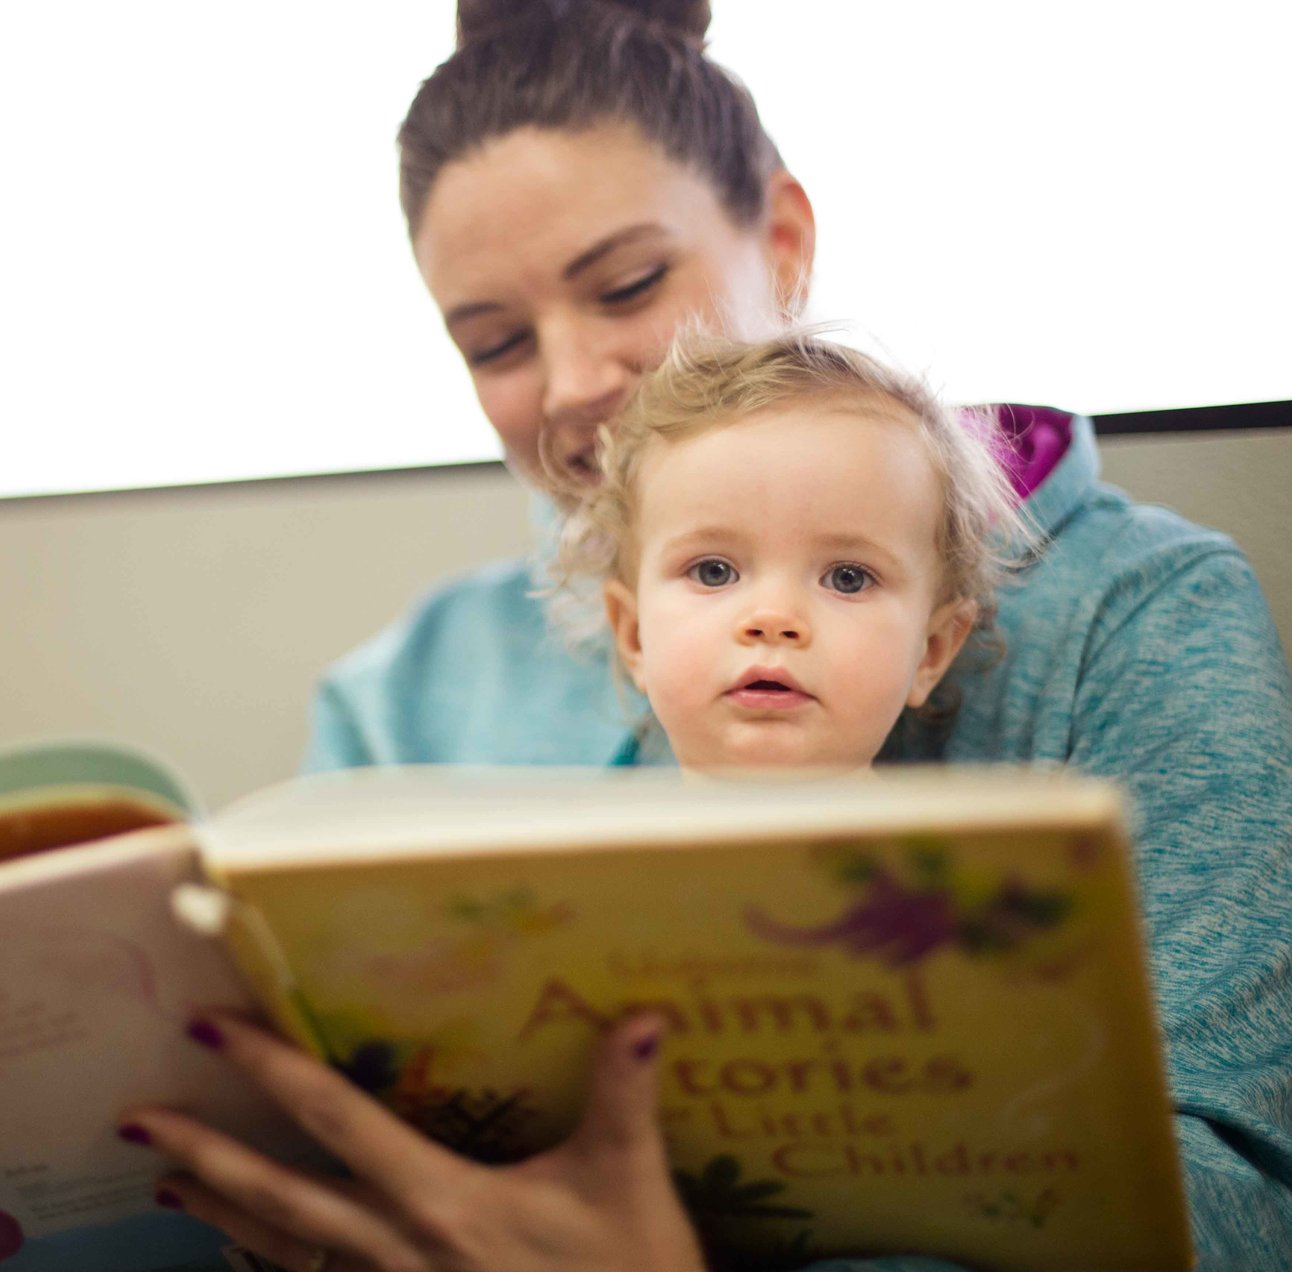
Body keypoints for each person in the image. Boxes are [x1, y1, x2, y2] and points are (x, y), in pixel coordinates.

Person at [118, 2, 1292, 1268]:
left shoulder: (1139, 613)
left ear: (783, 243)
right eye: (496, 342)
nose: (570, 384)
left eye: (627, 284)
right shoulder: (399, 694)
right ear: (627, 626)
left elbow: (1240, 1205)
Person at [549, 331, 1026, 773]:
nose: (773, 618)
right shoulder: (587, 856)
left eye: (848, 578)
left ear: (931, 651)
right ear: (633, 637)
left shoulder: (953, 862)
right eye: (714, 572)